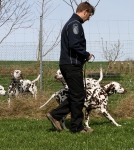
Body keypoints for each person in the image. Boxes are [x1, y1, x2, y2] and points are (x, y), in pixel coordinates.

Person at [46, 1, 95, 133]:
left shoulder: (71, 23)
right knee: (79, 95)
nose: (88, 18)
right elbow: (74, 44)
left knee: (76, 95)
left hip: (68, 64)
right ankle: (75, 126)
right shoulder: (75, 24)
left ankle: (60, 117)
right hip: (72, 65)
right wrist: (86, 55)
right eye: (89, 15)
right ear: (84, 11)